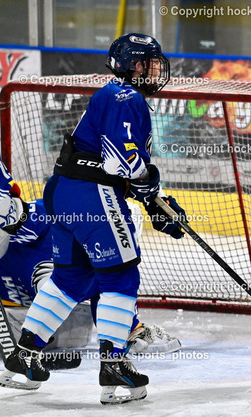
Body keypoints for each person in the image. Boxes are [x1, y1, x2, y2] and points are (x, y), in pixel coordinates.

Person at [0, 33, 185, 405]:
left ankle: (25, 356)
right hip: (93, 196)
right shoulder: (127, 97)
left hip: (64, 192)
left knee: (71, 279)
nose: (155, 71)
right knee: (120, 276)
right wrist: (151, 188)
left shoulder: (113, 94)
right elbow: (121, 162)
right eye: (149, 64)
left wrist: (153, 199)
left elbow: (114, 164)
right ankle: (113, 365)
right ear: (134, 66)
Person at [0, 197, 181, 359]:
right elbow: (10, 218)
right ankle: (131, 333)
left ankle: (132, 332)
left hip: (25, 320)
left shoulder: (101, 272)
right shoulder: (51, 214)